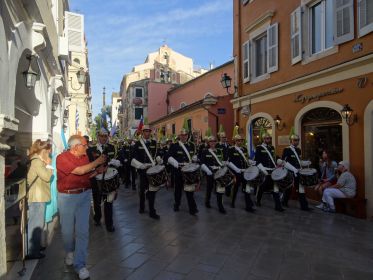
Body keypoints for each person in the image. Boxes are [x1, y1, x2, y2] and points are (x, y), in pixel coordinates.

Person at [56, 135, 106, 280]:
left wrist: (97, 171)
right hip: (67, 197)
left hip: (84, 195)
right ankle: (69, 251)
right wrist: (97, 162)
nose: (87, 147)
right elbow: (79, 171)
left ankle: (80, 265)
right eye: (85, 145)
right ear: (75, 146)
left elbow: (87, 174)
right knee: (66, 231)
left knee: (83, 230)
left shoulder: (84, 157)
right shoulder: (61, 158)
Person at [26, 139, 53, 259]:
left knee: (37, 223)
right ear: (44, 151)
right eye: (48, 151)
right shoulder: (37, 162)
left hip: (38, 196)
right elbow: (47, 177)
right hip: (37, 198)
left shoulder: (38, 161)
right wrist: (49, 165)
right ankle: (32, 251)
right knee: (35, 225)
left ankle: (34, 247)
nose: (50, 153)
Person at [86, 128, 117, 232]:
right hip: (96, 179)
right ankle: (97, 217)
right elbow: (88, 165)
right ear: (98, 136)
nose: (104, 138)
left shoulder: (112, 147)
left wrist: (113, 163)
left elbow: (118, 161)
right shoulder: (90, 150)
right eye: (101, 136)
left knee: (109, 201)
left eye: (105, 136)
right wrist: (97, 169)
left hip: (108, 179)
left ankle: (109, 224)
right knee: (97, 200)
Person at [131, 125, 162, 219]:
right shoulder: (137, 144)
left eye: (149, 131)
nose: (147, 133)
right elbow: (132, 158)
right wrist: (140, 165)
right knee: (142, 190)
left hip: (152, 170)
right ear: (142, 132)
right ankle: (142, 206)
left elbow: (158, 153)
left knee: (152, 190)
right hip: (142, 170)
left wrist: (159, 158)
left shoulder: (154, 143)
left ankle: (152, 211)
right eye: (145, 131)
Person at [167, 127, 199, 215]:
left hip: (189, 171)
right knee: (178, 190)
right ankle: (176, 204)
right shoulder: (174, 145)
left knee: (190, 190)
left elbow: (194, 156)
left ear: (187, 136)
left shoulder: (191, 145)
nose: (184, 137)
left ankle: (192, 208)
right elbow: (168, 157)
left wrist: (195, 158)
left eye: (185, 135)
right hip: (178, 171)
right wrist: (176, 164)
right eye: (182, 135)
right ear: (179, 136)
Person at [254, 134, 284, 212]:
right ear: (263, 139)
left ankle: (278, 206)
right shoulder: (259, 148)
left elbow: (274, 158)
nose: (268, 140)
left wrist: (280, 161)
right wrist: (263, 170)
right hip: (264, 170)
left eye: (269, 138)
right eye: (267, 138)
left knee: (275, 187)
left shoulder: (272, 148)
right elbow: (257, 161)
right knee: (261, 187)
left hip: (272, 170)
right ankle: (258, 200)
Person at [281, 134, 311, 211]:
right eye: (295, 140)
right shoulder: (287, 149)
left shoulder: (298, 150)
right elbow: (284, 162)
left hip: (298, 172)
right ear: (291, 141)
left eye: (298, 140)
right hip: (290, 172)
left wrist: (306, 163)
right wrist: (294, 169)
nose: (297, 142)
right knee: (289, 188)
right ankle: (284, 202)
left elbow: (299, 161)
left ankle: (304, 206)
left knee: (301, 188)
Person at [227, 134, 255, 212]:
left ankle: (248, 206)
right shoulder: (231, 149)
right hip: (236, 172)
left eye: (241, 140)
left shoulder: (244, 149)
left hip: (244, 171)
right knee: (235, 188)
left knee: (247, 188)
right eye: (238, 140)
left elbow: (246, 159)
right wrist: (237, 169)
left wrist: (251, 162)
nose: (240, 142)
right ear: (235, 141)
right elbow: (228, 162)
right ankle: (232, 202)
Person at [200, 135, 227, 214]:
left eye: (214, 141)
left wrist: (224, 165)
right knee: (209, 188)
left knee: (220, 188)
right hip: (210, 172)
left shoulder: (219, 151)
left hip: (218, 172)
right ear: (208, 143)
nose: (213, 143)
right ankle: (207, 201)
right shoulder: (205, 151)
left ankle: (220, 206)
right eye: (211, 141)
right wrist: (208, 171)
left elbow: (222, 161)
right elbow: (202, 163)